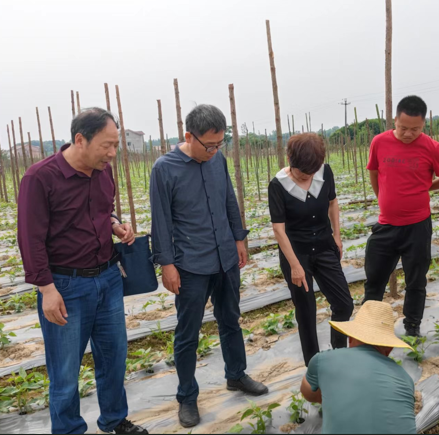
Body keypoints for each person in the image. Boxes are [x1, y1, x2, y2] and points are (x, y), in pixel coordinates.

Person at [17, 108, 147, 435]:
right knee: (64, 373)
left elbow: (104, 212)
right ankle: (69, 430)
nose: (113, 154)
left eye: (116, 145)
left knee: (114, 359)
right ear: (80, 140)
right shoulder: (40, 178)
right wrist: (47, 290)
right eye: (106, 145)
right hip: (65, 285)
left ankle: (115, 420)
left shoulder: (103, 172)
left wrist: (116, 225)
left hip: (107, 279)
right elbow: (29, 239)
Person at [150, 104, 268, 429]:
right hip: (190, 264)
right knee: (188, 333)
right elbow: (160, 221)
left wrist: (239, 238)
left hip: (225, 257)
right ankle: (187, 396)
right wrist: (166, 264)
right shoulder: (165, 169)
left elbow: (229, 198)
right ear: (188, 136)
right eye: (209, 145)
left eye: (220, 144)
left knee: (230, 319)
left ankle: (237, 375)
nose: (215, 151)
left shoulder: (218, 161)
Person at [364, 95, 439, 337]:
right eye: (403, 128)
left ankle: (412, 326)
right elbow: (374, 172)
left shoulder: (431, 147)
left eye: (415, 129)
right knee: (374, 280)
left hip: (417, 226)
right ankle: (370, 326)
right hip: (386, 226)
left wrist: (425, 187)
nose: (408, 134)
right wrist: (381, 196)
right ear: (395, 120)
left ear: (424, 124)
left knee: (416, 280)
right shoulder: (379, 142)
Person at [268, 133, 354, 367]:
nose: (306, 176)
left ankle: (339, 355)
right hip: (297, 254)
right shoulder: (278, 185)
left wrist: (337, 234)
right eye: (301, 172)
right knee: (306, 313)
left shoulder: (324, 172)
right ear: (290, 159)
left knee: (344, 304)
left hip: (325, 246)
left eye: (311, 171)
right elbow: (278, 229)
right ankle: (314, 367)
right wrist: (295, 266)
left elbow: (333, 202)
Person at [300, 300, 417, 434]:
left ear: (350, 337)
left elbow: (307, 393)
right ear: (389, 349)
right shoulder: (406, 379)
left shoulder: (323, 360)